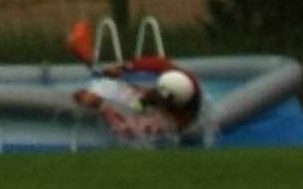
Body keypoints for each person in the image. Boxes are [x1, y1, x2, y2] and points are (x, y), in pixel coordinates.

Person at [72, 62, 207, 147]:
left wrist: (100, 103)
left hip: (165, 125)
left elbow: (130, 122)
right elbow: (158, 63)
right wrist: (125, 67)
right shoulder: (181, 78)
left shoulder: (172, 122)